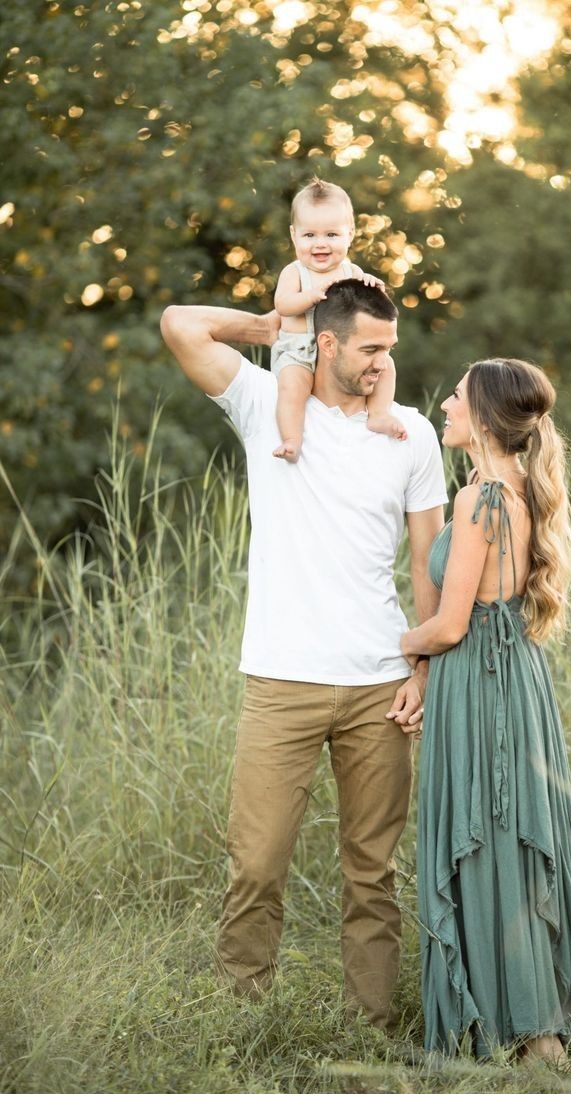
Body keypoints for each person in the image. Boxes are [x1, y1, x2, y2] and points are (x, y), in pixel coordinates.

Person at [160, 279, 447, 1031]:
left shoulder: (412, 434)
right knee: (255, 868)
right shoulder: (264, 406)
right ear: (327, 344)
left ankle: (371, 1038)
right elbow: (180, 324)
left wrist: (421, 669)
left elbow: (428, 568)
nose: (386, 361)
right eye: (371, 348)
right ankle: (237, 1028)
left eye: (392, 347)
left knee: (371, 875)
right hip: (281, 681)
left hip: (379, 686)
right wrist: (275, 322)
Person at [400, 359, 571, 1062]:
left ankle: (520, 1027)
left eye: (457, 395)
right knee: (509, 835)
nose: (447, 403)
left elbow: (450, 625)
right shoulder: (520, 489)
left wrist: (393, 645)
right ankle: (534, 1024)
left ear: (484, 418)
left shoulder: (480, 499)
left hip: (478, 680)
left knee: (486, 833)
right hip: (517, 676)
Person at [271, 177, 405, 460]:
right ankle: (292, 438)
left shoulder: (350, 271)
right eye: (310, 236)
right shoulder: (294, 272)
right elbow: (282, 304)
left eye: (331, 235)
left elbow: (363, 302)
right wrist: (310, 295)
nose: (320, 244)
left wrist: (368, 281)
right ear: (294, 234)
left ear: (350, 234)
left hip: (338, 355)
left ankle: (379, 413)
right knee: (292, 387)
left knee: (387, 365)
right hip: (299, 352)